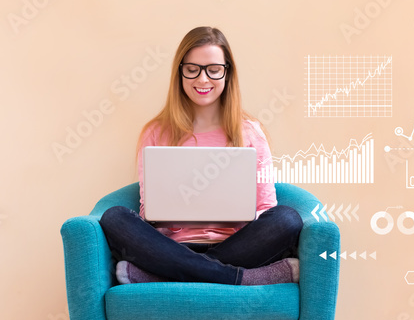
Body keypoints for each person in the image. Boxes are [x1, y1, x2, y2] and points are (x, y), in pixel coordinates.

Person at [99, 26, 303, 285]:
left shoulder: (250, 132)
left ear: (227, 73)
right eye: (192, 69)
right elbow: (147, 210)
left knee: (287, 219)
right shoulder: (156, 132)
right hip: (169, 247)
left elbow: (265, 208)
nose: (203, 80)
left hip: (238, 248)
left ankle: (158, 276)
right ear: (180, 72)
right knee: (114, 217)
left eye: (213, 70)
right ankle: (241, 278)